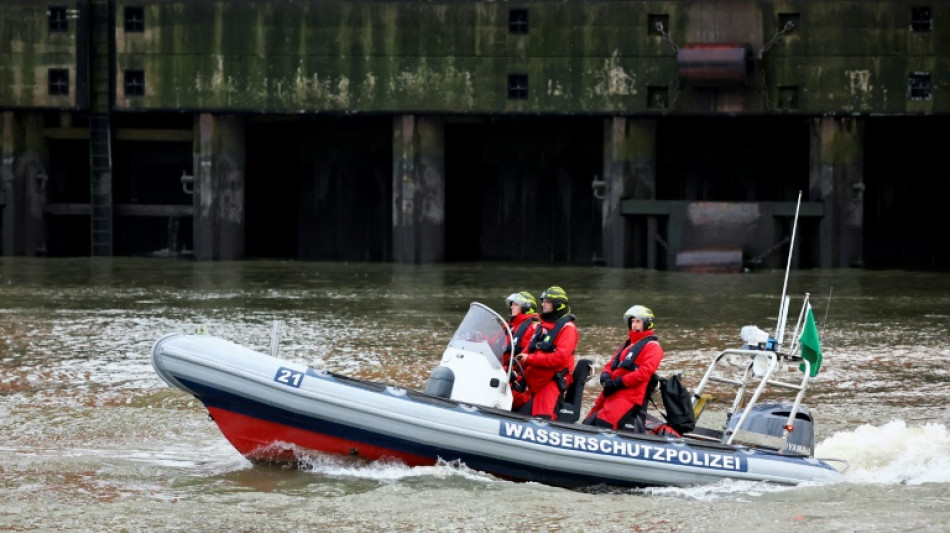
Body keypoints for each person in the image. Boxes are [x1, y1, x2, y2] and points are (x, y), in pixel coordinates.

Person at [583, 304, 663, 432]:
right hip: (611, 390)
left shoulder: (653, 347)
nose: (634, 325)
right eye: (632, 322)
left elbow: (643, 373)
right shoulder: (627, 344)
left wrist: (619, 382)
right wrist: (605, 376)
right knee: (588, 422)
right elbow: (611, 364)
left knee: (604, 423)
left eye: (638, 321)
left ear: (647, 324)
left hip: (629, 395)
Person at [514, 286, 578, 419]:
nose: (543, 304)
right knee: (521, 412)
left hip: (551, 381)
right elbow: (526, 351)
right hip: (535, 380)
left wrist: (530, 359)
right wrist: (510, 367)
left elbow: (559, 358)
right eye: (543, 301)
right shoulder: (541, 326)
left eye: (547, 302)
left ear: (558, 305)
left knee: (542, 417)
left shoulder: (568, 329)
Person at [501, 291, 541, 410]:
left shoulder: (532, 327)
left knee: (516, 396)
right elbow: (495, 342)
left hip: (516, 373)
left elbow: (525, 355)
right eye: (512, 304)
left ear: (526, 307)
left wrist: (507, 370)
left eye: (516, 304)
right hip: (502, 368)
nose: (512, 306)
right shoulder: (510, 325)